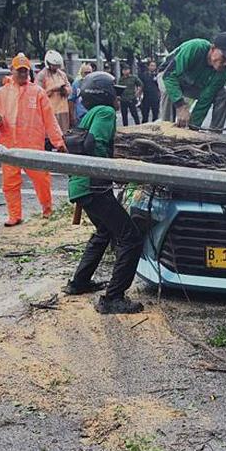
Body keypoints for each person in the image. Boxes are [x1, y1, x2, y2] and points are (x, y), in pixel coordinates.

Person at [65, 71, 145, 314]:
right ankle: (113, 298)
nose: (118, 99)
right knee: (131, 238)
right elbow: (94, 143)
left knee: (104, 231)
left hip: (81, 185)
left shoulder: (88, 114)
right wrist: (110, 171)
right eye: (115, 94)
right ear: (105, 95)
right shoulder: (105, 112)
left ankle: (79, 283)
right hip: (94, 185)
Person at [0, 52, 64, 227]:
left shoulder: (37, 92)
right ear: (12, 70)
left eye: (25, 70)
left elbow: (49, 119)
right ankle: (14, 215)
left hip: (32, 145)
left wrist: (58, 142)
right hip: (8, 146)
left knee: (41, 179)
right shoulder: (0, 94)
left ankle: (47, 210)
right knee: (10, 183)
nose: (23, 74)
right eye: (20, 70)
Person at [158, 32, 226, 130]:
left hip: (191, 84)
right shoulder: (195, 48)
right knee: (168, 89)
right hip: (168, 75)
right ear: (213, 48)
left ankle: (215, 133)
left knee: (224, 94)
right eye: (224, 57)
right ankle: (166, 129)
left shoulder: (222, 74)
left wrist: (193, 128)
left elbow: (204, 100)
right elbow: (169, 76)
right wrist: (181, 107)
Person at [36, 50, 73, 132]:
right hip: (49, 110)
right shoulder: (42, 75)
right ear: (48, 64)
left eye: (57, 66)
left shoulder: (62, 74)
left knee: (63, 133)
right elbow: (37, 93)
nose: (56, 68)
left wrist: (64, 90)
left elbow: (69, 89)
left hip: (63, 110)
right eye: (54, 65)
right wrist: (52, 90)